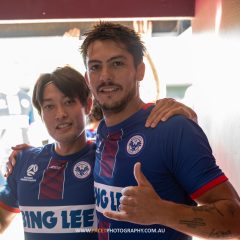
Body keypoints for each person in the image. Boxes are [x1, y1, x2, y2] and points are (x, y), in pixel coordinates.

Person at [79, 22, 240, 239]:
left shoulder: (173, 128)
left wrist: (163, 212)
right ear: (88, 79)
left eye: (117, 63)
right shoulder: (103, 131)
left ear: (140, 70)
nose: (105, 76)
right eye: (95, 66)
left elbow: (235, 219)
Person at [0, 66, 98, 240]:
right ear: (41, 115)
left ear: (88, 105)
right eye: (49, 106)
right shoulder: (24, 161)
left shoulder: (106, 158)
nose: (60, 114)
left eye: (68, 102)